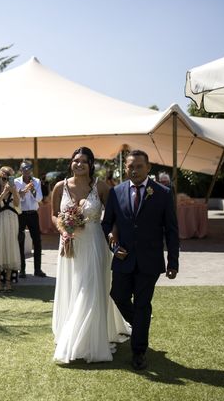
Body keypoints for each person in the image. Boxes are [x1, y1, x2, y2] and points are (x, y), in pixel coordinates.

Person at [51, 147, 131, 363]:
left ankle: (85, 342)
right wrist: (63, 231)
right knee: (74, 288)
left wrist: (113, 237)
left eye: (84, 162)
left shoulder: (101, 187)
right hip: (69, 246)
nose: (79, 164)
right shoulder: (60, 187)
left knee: (90, 290)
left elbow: (114, 217)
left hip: (95, 243)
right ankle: (71, 331)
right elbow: (53, 215)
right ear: (71, 163)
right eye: (75, 160)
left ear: (90, 165)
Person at [102, 149, 179, 370]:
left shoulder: (163, 193)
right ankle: (141, 328)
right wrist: (113, 245)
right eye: (130, 166)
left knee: (143, 304)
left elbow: (172, 230)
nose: (134, 170)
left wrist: (173, 261)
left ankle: (139, 352)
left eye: (138, 166)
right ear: (124, 168)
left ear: (148, 168)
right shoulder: (116, 192)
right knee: (118, 295)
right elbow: (107, 224)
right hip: (123, 258)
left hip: (150, 260)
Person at [0, 167, 20, 292]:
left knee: (10, 248)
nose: (5, 181)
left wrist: (14, 191)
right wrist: (4, 193)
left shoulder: (14, 191)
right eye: (3, 178)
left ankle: (8, 281)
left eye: (8, 179)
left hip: (12, 222)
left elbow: (17, 205)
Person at [14, 161, 45, 278]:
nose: (27, 172)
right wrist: (21, 194)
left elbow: (39, 198)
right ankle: (22, 269)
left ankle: (38, 269)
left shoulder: (36, 181)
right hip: (21, 214)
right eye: (24, 169)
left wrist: (32, 190)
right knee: (20, 240)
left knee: (37, 241)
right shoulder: (17, 182)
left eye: (29, 169)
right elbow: (15, 199)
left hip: (33, 214)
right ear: (20, 171)